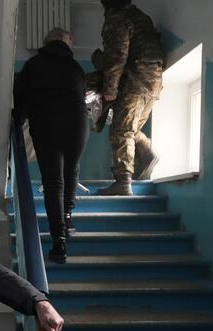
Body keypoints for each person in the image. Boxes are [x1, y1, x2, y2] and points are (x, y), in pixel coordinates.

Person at [13, 27, 89, 264]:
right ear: (68, 43)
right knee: (72, 170)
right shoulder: (76, 68)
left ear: (46, 43)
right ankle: (68, 218)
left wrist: (17, 122)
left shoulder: (33, 65)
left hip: (46, 122)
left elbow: (19, 100)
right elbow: (82, 96)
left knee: (53, 181)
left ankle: (59, 244)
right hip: (77, 121)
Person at [96, 0, 164, 196]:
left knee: (121, 129)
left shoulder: (118, 19)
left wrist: (110, 87)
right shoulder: (141, 17)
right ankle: (148, 153)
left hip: (136, 78)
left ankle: (123, 181)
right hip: (153, 80)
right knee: (130, 128)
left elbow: (117, 55)